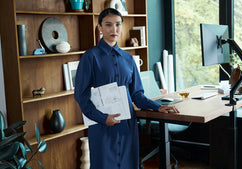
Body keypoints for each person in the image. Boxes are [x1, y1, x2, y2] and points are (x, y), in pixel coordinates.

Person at [74, 8, 179, 169]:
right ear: (100, 27)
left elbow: (137, 94)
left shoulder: (128, 59)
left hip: (127, 124)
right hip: (101, 125)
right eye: (108, 25)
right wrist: (102, 118)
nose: (114, 29)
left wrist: (159, 107)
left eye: (118, 24)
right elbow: (81, 96)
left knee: (127, 165)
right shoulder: (90, 57)